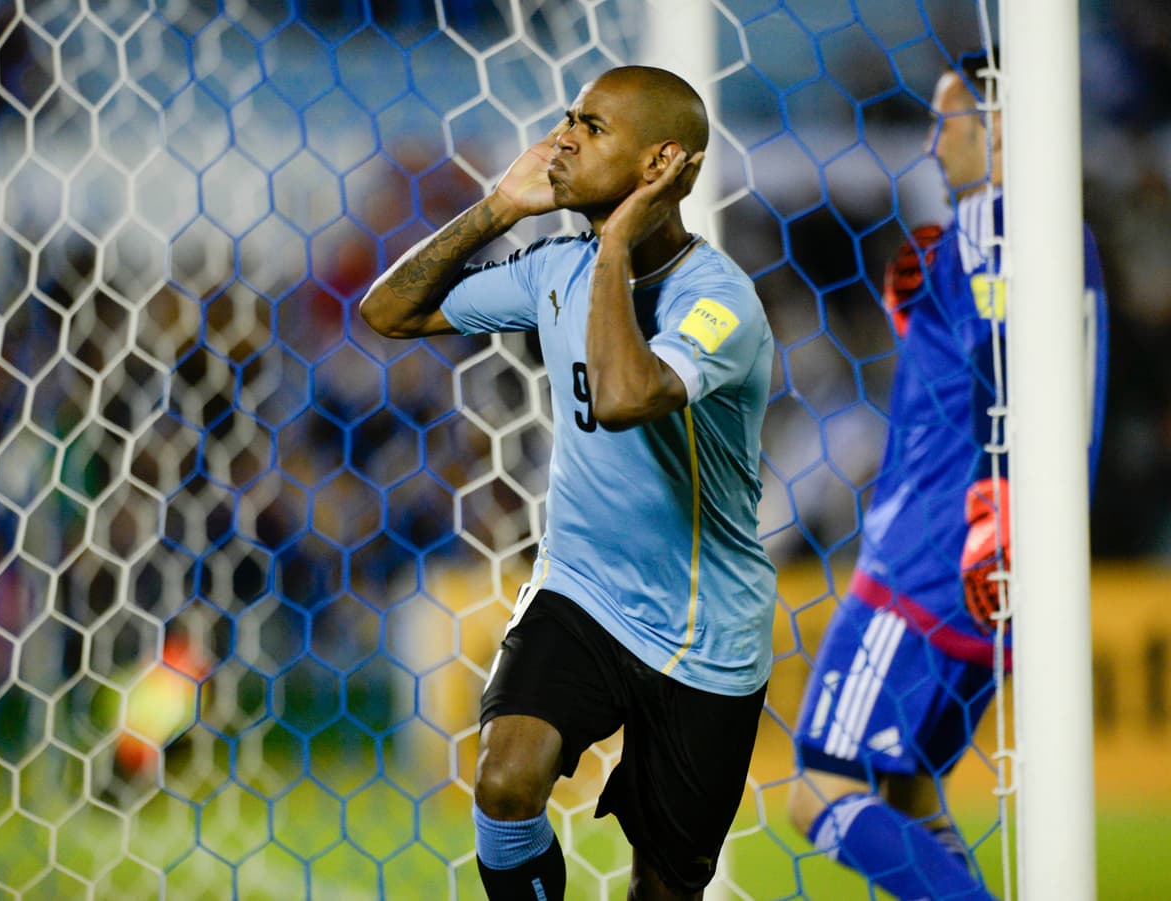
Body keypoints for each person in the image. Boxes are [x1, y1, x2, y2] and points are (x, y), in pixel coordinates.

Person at [360, 66, 777, 901]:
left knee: (665, 888)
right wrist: (499, 210)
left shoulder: (718, 302)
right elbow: (389, 311)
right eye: (567, 119)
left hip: (706, 631)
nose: (563, 139)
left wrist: (618, 244)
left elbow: (626, 398)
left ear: (663, 163)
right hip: (581, 590)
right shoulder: (555, 266)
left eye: (591, 126)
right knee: (506, 780)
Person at [787, 51, 1109, 900]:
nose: (933, 144)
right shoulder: (1057, 235)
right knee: (910, 786)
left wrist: (993, 508)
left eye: (948, 119)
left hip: (931, 557)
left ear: (1000, 123)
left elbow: (998, 373)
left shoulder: (999, 231)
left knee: (820, 785)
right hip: (994, 560)